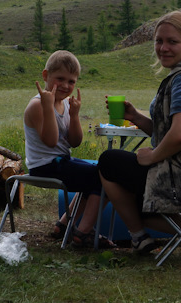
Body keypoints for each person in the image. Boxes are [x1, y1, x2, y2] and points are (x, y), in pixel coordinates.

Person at [98, 11, 181, 258]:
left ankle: (138, 236)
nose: (163, 48)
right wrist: (136, 118)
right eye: (159, 41)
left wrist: (152, 156)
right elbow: (176, 133)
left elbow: (180, 135)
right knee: (131, 191)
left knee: (109, 162)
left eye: (172, 41)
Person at [24, 50, 113, 248]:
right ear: (46, 76)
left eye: (71, 81)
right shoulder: (38, 105)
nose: (65, 85)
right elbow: (50, 141)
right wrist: (48, 108)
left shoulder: (64, 103)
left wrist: (74, 115)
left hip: (60, 161)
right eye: (60, 79)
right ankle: (83, 232)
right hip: (44, 166)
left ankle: (63, 225)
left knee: (102, 171)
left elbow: (75, 142)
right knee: (104, 178)